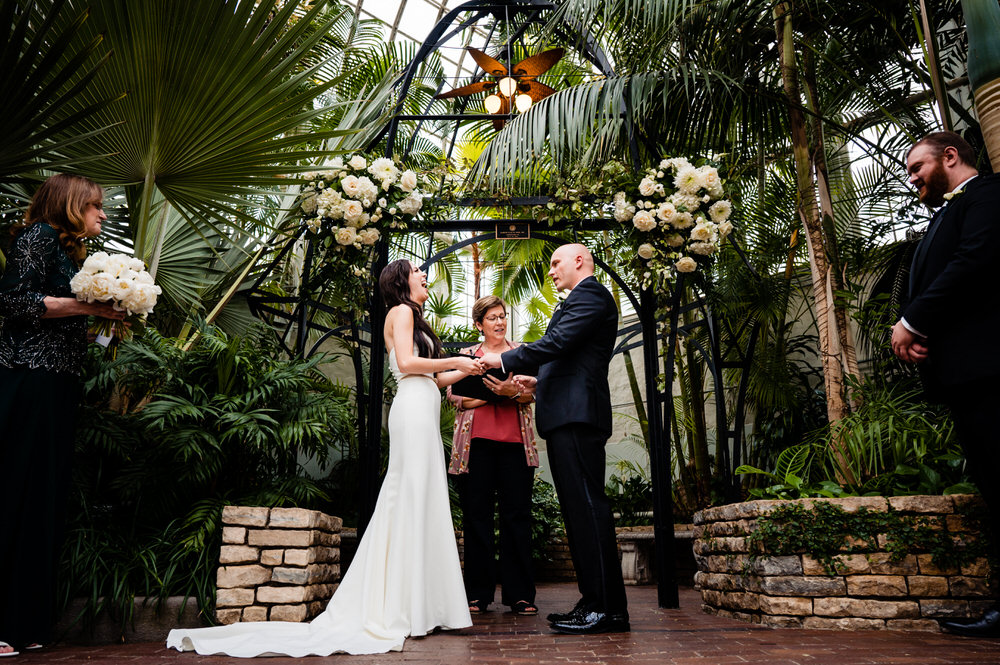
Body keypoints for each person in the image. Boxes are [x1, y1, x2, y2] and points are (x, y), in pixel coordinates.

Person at [167, 259, 484, 656]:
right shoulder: (400, 311)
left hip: (424, 401)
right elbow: (406, 364)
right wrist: (455, 359)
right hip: (413, 410)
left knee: (420, 498)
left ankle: (418, 601)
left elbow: (433, 377)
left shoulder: (416, 319)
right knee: (410, 495)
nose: (424, 276)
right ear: (402, 281)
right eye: (418, 271)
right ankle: (403, 604)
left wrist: (468, 365)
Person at [0, 174, 124, 657]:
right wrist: (85, 305)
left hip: (56, 385)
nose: (102, 214)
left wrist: (100, 316)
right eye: (95, 206)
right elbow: (10, 301)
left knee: (43, 497)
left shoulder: (66, 250)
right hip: (26, 380)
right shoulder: (38, 238)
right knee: (15, 490)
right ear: (72, 205)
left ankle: (25, 621)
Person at [481, 243, 629, 635]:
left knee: (587, 510)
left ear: (579, 260)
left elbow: (558, 344)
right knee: (580, 513)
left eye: (555, 263)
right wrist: (539, 379)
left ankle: (603, 608)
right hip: (568, 415)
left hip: (577, 417)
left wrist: (505, 359)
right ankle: (599, 603)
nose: (551, 271)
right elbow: (568, 357)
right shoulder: (580, 300)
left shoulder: (591, 295)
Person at [891, 131, 1000, 637]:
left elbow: (974, 262)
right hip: (966, 374)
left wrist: (913, 321)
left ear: (950, 157)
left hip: (991, 371)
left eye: (916, 167)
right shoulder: (945, 214)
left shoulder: (988, 196)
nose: (912, 178)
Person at [446, 295, 539, 617]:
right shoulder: (466, 356)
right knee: (476, 520)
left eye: (502, 316)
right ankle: (477, 595)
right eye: (492, 318)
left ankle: (521, 596)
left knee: (517, 519)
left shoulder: (522, 353)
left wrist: (512, 393)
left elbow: (532, 394)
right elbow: (455, 397)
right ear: (478, 324)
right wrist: (500, 395)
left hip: (516, 445)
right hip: (476, 447)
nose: (499, 323)